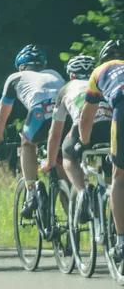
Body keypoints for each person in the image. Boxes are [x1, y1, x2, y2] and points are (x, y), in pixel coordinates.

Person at [0, 44, 65, 219]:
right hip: (64, 113)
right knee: (62, 167)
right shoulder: (55, 74)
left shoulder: (15, 77)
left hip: (40, 112)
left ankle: (31, 191)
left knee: (27, 143)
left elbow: (1, 118)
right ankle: (72, 225)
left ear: (21, 67)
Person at [42, 55, 112, 223]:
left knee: (68, 154)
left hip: (85, 127)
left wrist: (51, 162)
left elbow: (56, 132)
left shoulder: (66, 89)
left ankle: (82, 191)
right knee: (111, 160)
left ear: (71, 75)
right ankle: (109, 191)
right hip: (111, 126)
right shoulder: (102, 82)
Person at [78, 39, 124, 261]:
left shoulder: (99, 71)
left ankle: (122, 241)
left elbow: (87, 117)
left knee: (119, 177)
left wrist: (84, 143)